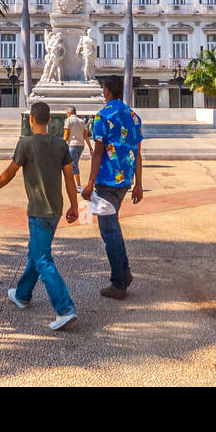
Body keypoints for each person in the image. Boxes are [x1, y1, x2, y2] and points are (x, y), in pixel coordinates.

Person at [0, 100, 79, 330]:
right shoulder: (60, 145)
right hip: (55, 209)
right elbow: (69, 177)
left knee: (42, 258)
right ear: (50, 120)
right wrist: (74, 207)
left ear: (32, 119)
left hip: (38, 210)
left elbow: (10, 172)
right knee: (37, 252)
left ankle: (65, 309)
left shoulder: (25, 144)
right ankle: (23, 294)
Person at [81, 74, 143, 300]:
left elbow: (98, 152)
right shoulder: (134, 117)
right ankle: (124, 273)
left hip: (106, 181)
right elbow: (137, 152)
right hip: (125, 180)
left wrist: (89, 183)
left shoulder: (102, 116)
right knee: (113, 228)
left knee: (109, 232)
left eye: (103, 88)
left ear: (106, 91)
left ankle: (119, 283)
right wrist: (139, 184)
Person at [63, 105, 87, 191]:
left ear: (68, 113)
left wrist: (62, 143)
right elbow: (85, 136)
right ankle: (74, 182)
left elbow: (66, 134)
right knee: (73, 164)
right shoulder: (81, 121)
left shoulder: (68, 120)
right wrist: (90, 147)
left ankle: (78, 185)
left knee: (74, 165)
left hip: (72, 145)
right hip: (81, 145)